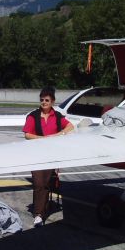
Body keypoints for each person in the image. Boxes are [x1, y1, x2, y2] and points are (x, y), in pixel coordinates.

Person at [22, 86, 74, 227]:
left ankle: (42, 210)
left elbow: (70, 127)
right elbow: (27, 134)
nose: (44, 102)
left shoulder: (57, 116)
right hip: (36, 155)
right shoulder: (33, 116)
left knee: (45, 184)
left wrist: (59, 134)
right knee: (39, 183)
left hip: (51, 155)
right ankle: (38, 215)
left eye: (47, 100)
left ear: (52, 102)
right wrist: (42, 139)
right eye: (42, 100)